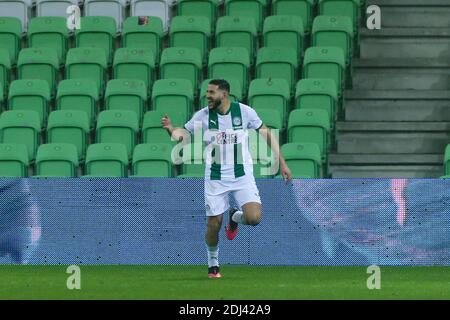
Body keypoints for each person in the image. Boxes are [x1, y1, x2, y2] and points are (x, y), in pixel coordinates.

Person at [162, 79, 292, 278]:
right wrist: (171, 129)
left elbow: (266, 133)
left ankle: (234, 216)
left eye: (211, 92)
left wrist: (282, 162)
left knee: (254, 218)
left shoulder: (245, 112)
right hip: (216, 177)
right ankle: (213, 263)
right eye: (207, 92)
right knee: (214, 223)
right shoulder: (203, 115)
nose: (208, 96)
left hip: (242, 175)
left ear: (224, 94)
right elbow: (184, 135)